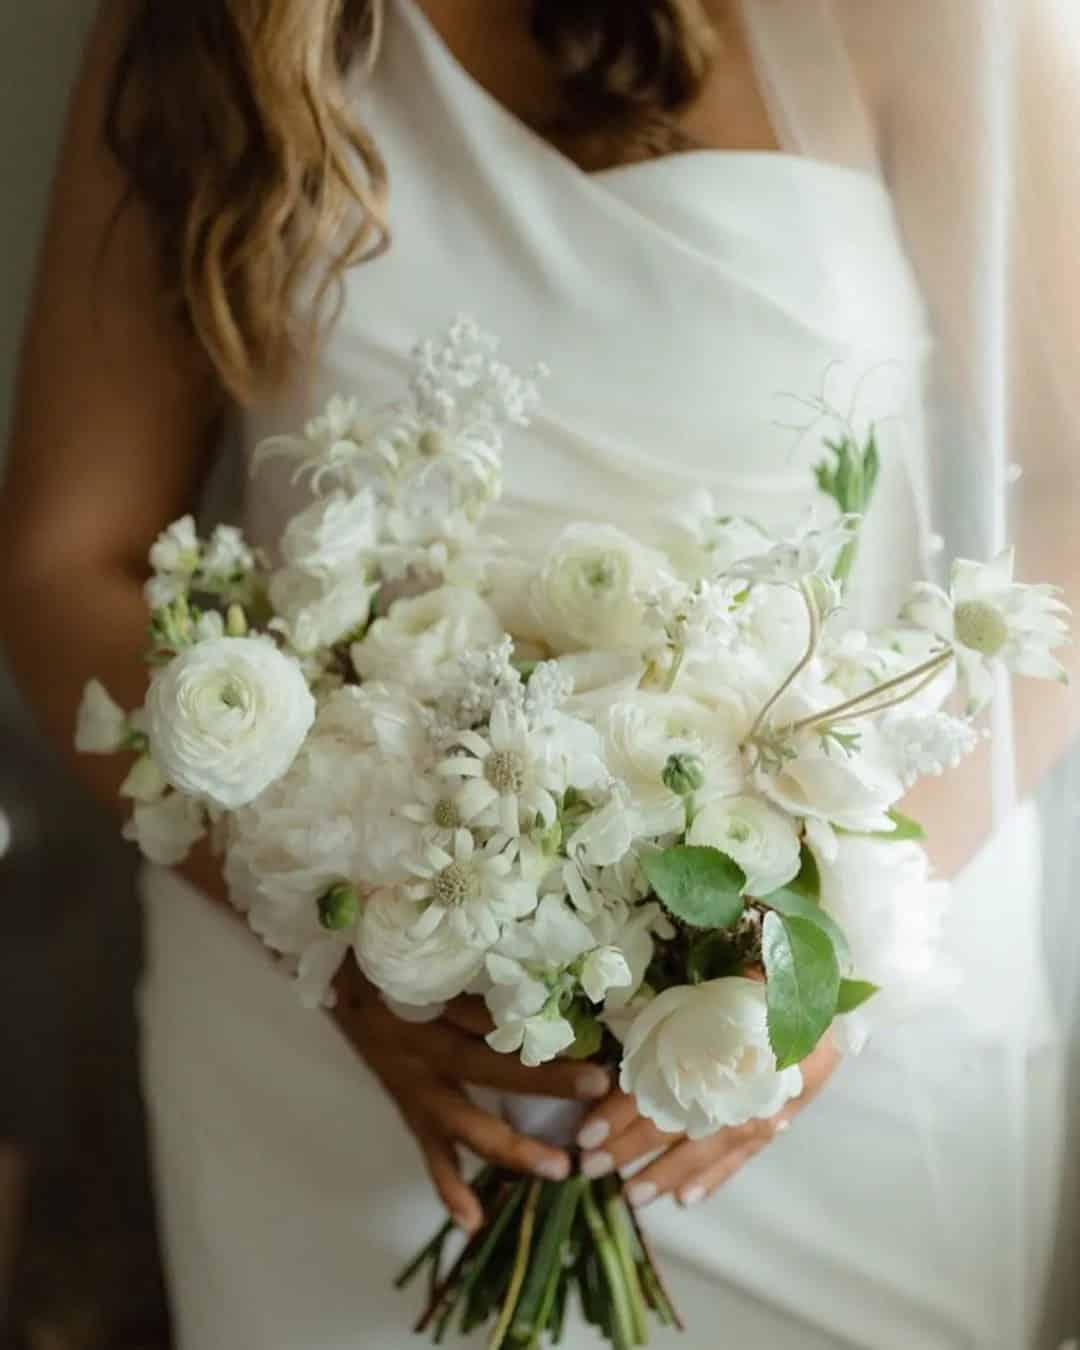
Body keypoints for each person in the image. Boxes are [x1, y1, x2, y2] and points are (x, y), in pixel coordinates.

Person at [1, 1, 1077, 1346]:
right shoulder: (218, 26)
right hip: (328, 1047)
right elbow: (66, 560)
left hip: (829, 1066)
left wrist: (824, 959)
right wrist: (332, 930)